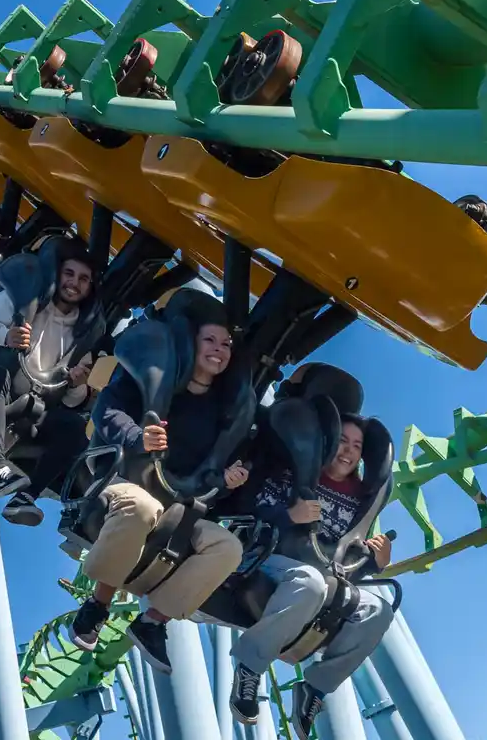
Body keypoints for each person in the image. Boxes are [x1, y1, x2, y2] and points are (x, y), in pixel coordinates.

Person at [67, 296, 253, 674]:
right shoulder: (150, 377)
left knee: (227, 547)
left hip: (177, 501)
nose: (219, 351)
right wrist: (138, 436)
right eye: (210, 341)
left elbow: (213, 475)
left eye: (226, 345)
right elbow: (107, 411)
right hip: (118, 483)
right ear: (191, 344)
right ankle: (97, 605)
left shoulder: (223, 407)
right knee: (142, 507)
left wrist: (229, 481)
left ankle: (153, 621)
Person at [231, 412, 394, 739]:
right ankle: (249, 668)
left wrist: (377, 562)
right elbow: (251, 509)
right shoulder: (294, 471)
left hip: (317, 579)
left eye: (357, 446)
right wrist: (289, 515)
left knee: (379, 610)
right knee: (310, 582)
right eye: (342, 441)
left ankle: (314, 690)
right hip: (267, 560)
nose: (347, 451)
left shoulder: (360, 499)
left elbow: (347, 563)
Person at [0, 242, 101, 524]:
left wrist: (76, 383)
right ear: (58, 275)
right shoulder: (22, 300)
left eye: (83, 279)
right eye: (69, 274)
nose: (74, 283)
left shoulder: (83, 333)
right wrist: (3, 335)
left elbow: (71, 400)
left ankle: (24, 498)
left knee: (74, 428)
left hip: (31, 407)